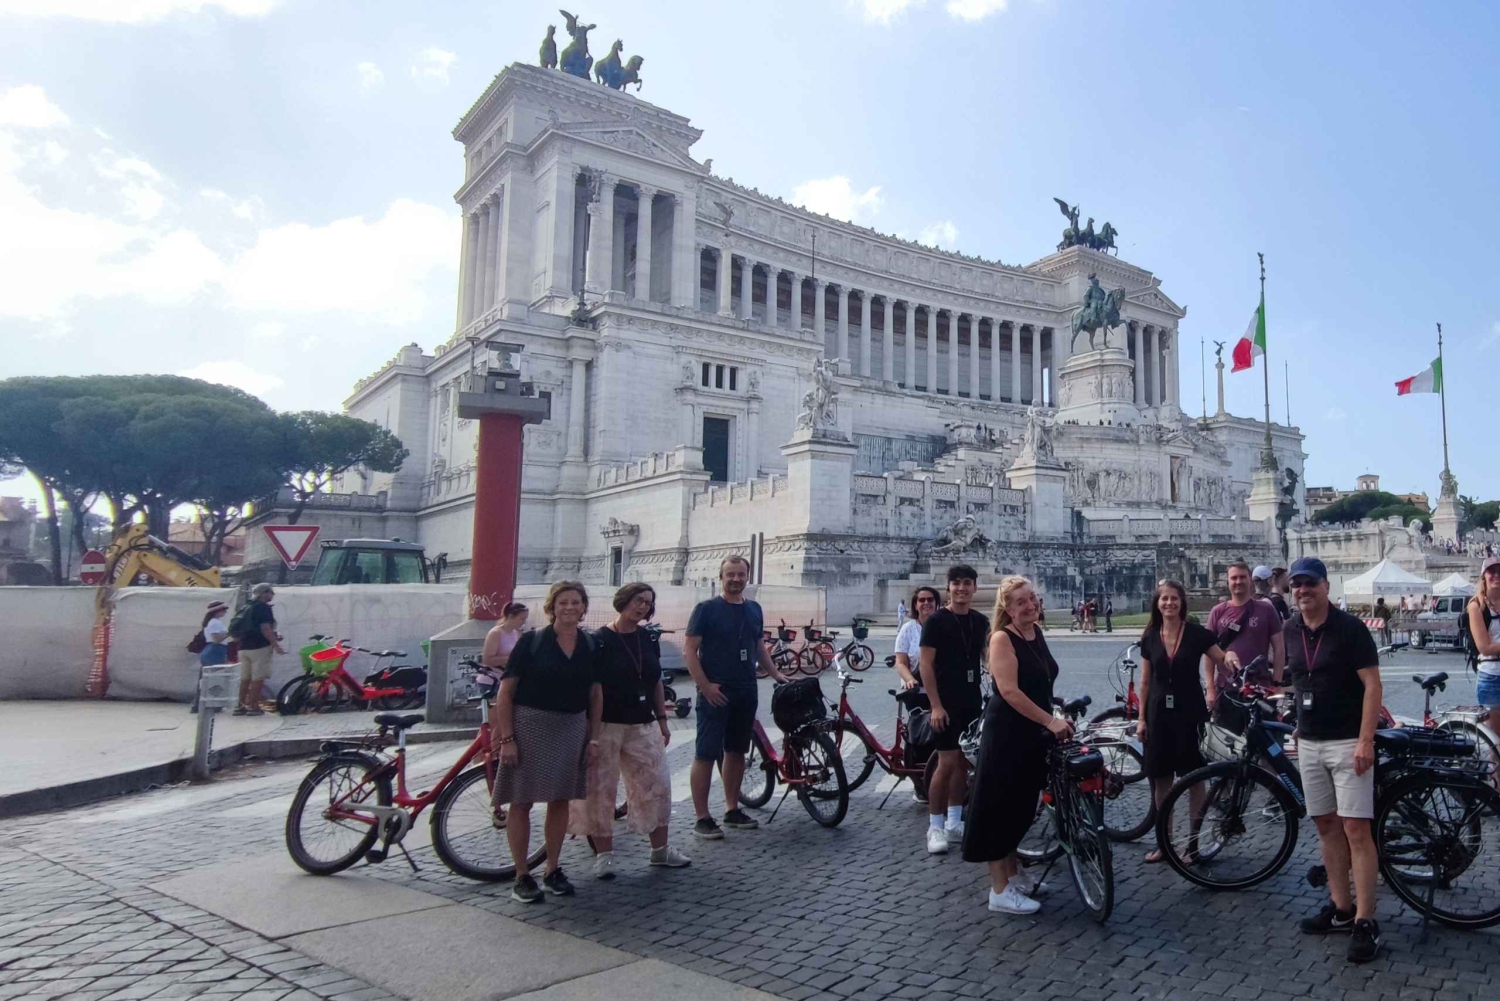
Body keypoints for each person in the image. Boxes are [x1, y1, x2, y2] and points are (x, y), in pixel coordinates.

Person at [1285, 557, 1383, 963]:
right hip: (1309, 741)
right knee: (1325, 824)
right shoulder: (1290, 629)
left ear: (1325, 586)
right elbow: (1299, 680)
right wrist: (1296, 724)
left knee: (1356, 829)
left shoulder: (1350, 629)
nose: (1302, 590)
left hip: (1347, 743)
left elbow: (1372, 684)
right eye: (1296, 585)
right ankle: (1341, 908)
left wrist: (1366, 740)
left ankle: (1366, 920)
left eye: (1309, 583)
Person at [962, 575, 1069, 915]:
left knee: (1020, 808)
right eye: (1021, 601)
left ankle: (1013, 873)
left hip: (1031, 732)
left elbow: (1040, 682)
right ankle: (999, 890)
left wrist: (1054, 714)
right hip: (1007, 733)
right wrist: (1050, 721)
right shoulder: (1001, 639)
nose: (1030, 605)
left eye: (1033, 598)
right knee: (998, 808)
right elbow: (1009, 692)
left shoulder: (1034, 633)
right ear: (1006, 608)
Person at [570, 583, 691, 878]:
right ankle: (604, 856)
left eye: (648, 603)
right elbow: (593, 690)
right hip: (607, 724)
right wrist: (593, 734)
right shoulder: (597, 640)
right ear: (623, 601)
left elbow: (655, 681)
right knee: (600, 789)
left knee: (656, 785)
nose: (642, 607)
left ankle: (660, 851)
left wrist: (663, 719)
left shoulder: (648, 638)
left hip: (643, 722)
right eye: (638, 601)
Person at [493, 580, 602, 903]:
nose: (569, 607)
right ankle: (521, 874)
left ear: (584, 608)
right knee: (521, 800)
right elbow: (506, 691)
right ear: (552, 607)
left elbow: (596, 694)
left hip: (570, 726)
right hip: (530, 725)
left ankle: (552, 868)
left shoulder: (591, 645)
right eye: (563, 602)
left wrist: (593, 738)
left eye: (576, 602)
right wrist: (507, 737)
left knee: (560, 799)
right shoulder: (531, 642)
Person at [684, 555, 789, 840]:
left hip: (746, 688)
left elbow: (758, 646)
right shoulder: (705, 609)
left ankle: (732, 809)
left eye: (740, 574)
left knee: (737, 751)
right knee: (705, 753)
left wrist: (775, 674)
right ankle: (702, 817)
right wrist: (705, 687)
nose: (735, 579)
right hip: (716, 691)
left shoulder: (754, 608)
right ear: (721, 576)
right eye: (730, 574)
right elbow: (690, 651)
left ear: (747, 577)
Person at [1137, 579, 1231, 862]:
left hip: (1190, 712)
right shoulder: (1150, 636)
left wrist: (1233, 658)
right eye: (1164, 599)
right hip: (1157, 713)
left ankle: (1193, 843)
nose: (1169, 603)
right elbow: (1145, 682)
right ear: (1157, 603)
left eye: (1174, 599)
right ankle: (1164, 844)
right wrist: (1141, 719)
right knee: (1161, 780)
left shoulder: (1197, 634)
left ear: (1182, 603)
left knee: (1193, 779)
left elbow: (1221, 658)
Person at [919, 564, 988, 854]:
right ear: (948, 587)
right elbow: (925, 665)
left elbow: (988, 658)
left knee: (963, 764)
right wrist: (935, 705)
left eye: (967, 583)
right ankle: (935, 826)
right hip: (944, 703)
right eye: (956, 583)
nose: (962, 588)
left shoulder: (981, 621)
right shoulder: (936, 621)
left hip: (971, 701)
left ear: (974, 587)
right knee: (946, 765)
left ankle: (955, 821)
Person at [1207, 563, 1285, 693]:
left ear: (1250, 580)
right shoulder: (1217, 611)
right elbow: (1208, 651)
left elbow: (1279, 648)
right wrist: (1210, 687)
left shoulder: (1266, 609)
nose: (1238, 581)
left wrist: (1277, 682)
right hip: (1226, 686)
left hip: (1260, 686)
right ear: (1228, 582)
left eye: (1242, 577)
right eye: (1234, 578)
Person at [234, 583, 285, 715]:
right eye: (271, 592)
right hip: (259, 647)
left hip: (243, 647)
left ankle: (240, 706)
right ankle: (253, 706)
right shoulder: (263, 607)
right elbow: (265, 628)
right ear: (264, 593)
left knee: (245, 678)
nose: (272, 595)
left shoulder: (246, 606)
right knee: (258, 678)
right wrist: (275, 644)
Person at [1468, 556, 1500, 736]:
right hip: (1492, 676)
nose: (1496, 575)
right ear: (1483, 576)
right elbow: (1484, 647)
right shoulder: (1476, 606)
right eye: (1491, 571)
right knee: (1497, 740)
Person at [893, 587, 941, 690]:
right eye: (922, 600)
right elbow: (900, 662)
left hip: (943, 686)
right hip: (916, 685)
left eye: (930, 599)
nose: (926, 602)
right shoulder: (907, 629)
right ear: (915, 605)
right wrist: (910, 680)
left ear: (936, 604)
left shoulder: (946, 626)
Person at [190, 600, 230, 714]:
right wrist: (230, 632)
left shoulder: (211, 622)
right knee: (214, 679)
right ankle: (211, 704)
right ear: (217, 611)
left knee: (206, 679)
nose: (225, 612)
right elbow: (216, 639)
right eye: (223, 610)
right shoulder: (215, 623)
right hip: (215, 651)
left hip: (211, 651)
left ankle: (200, 704)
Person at [482, 602, 530, 669]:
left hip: (507, 674)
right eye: (522, 619)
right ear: (511, 617)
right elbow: (487, 660)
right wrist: (514, 657)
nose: (524, 622)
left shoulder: (516, 633)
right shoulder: (496, 633)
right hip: (494, 675)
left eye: (525, 619)